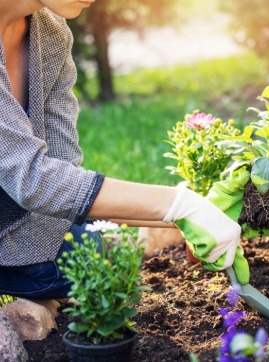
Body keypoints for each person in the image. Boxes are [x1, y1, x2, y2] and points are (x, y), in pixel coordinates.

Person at [0, 0, 248, 301]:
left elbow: (62, 166)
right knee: (82, 264)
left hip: (19, 216)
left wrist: (192, 211)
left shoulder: (51, 33)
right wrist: (176, 204)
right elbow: (34, 180)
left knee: (96, 258)